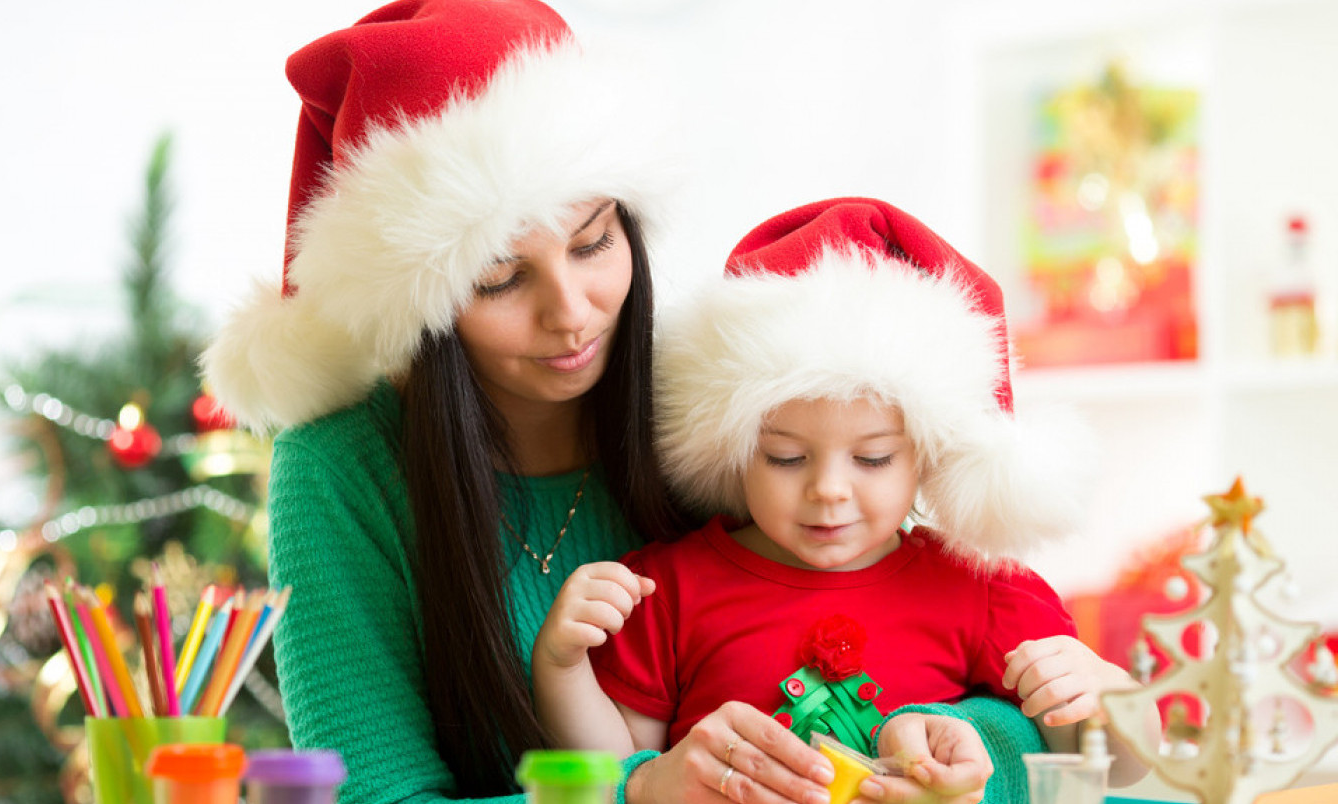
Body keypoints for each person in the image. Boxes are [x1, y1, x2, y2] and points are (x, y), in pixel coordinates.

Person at [202, 1, 1058, 800]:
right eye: (501, 279)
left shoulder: (706, 405)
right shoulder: (342, 470)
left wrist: (967, 739)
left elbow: (912, 612)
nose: (572, 314)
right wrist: (634, 790)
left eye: (593, 242)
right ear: (416, 304)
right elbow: (374, 793)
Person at [533, 197, 1155, 802]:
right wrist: (561, 666)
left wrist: (1107, 693)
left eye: (873, 458)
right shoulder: (669, 591)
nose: (828, 489)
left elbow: (1110, 769)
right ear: (730, 446)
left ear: (928, 455)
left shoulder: (978, 588)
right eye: (785, 457)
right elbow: (619, 775)